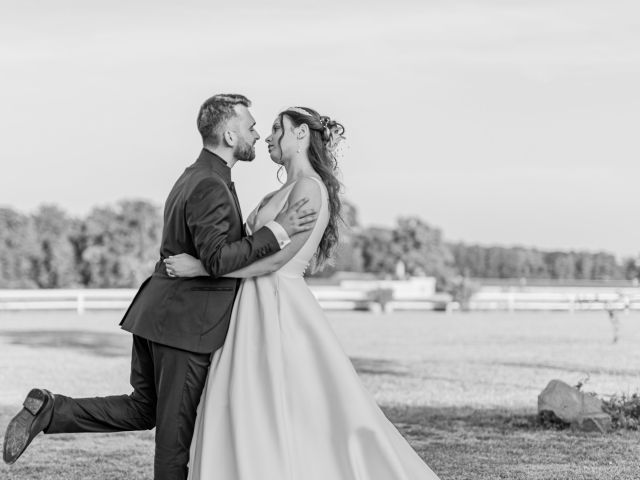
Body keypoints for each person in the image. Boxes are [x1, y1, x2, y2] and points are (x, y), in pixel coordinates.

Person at [2, 94, 317, 480]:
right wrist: (278, 231)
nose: (256, 132)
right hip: (186, 325)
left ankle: (50, 410)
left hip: (159, 316)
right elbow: (217, 259)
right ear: (230, 134)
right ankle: (49, 410)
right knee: (174, 441)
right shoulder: (210, 185)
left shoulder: (195, 176)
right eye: (250, 126)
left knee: (143, 410)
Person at [164, 106, 442, 479]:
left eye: (278, 129)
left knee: (285, 405)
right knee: (245, 404)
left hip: (278, 307)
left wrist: (200, 268)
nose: (267, 137)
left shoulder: (310, 189)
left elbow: (276, 261)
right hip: (250, 305)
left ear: (301, 135)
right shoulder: (280, 191)